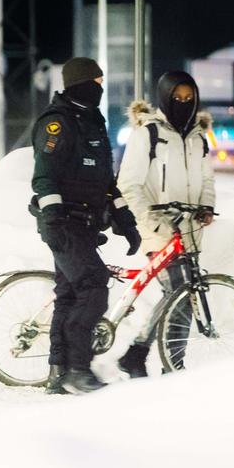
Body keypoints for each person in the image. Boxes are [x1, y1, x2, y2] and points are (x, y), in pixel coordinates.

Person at [31, 57, 141, 394]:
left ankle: (58, 372)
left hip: (87, 223)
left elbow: (106, 182)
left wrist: (126, 222)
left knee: (69, 296)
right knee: (94, 285)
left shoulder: (92, 122)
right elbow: (44, 177)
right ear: (79, 83)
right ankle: (78, 369)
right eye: (96, 81)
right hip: (65, 223)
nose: (100, 87)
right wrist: (53, 219)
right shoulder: (58, 124)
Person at [116, 71, 215, 376]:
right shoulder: (148, 133)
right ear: (164, 97)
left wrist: (207, 206)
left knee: (184, 295)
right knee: (180, 293)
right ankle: (163, 362)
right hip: (156, 227)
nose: (183, 103)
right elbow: (128, 184)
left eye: (189, 98)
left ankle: (151, 356)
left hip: (188, 229)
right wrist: (152, 222)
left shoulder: (198, 136)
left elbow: (207, 178)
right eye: (177, 98)